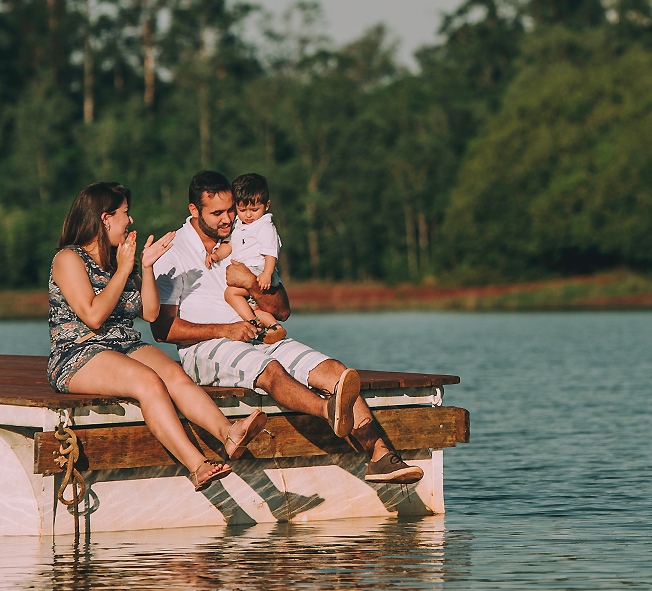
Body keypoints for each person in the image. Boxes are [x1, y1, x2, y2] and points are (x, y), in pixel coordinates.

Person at [151, 171, 425, 484]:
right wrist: (225, 330)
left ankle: (381, 457)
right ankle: (329, 412)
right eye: (218, 213)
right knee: (271, 370)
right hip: (207, 347)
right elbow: (163, 330)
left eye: (231, 209)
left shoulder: (248, 235)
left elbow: (281, 310)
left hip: (258, 335)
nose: (228, 219)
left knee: (335, 370)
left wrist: (253, 284)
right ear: (193, 210)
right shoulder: (173, 252)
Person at [48, 182, 268, 492]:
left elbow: (150, 313)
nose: (131, 221)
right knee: (148, 382)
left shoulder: (118, 260)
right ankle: (197, 465)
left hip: (124, 344)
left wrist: (146, 267)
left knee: (173, 374)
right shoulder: (68, 259)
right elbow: (93, 315)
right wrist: (125, 270)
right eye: (126, 213)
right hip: (78, 352)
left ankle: (228, 433)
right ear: (105, 218)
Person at [204, 173, 285, 343]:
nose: (248, 215)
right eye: (242, 210)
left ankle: (253, 324)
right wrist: (216, 255)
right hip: (252, 273)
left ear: (267, 205)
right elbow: (230, 245)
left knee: (230, 293)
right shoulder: (240, 226)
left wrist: (267, 273)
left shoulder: (264, 226)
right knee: (254, 306)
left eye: (254, 210)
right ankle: (274, 327)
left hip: (260, 272)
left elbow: (271, 251)